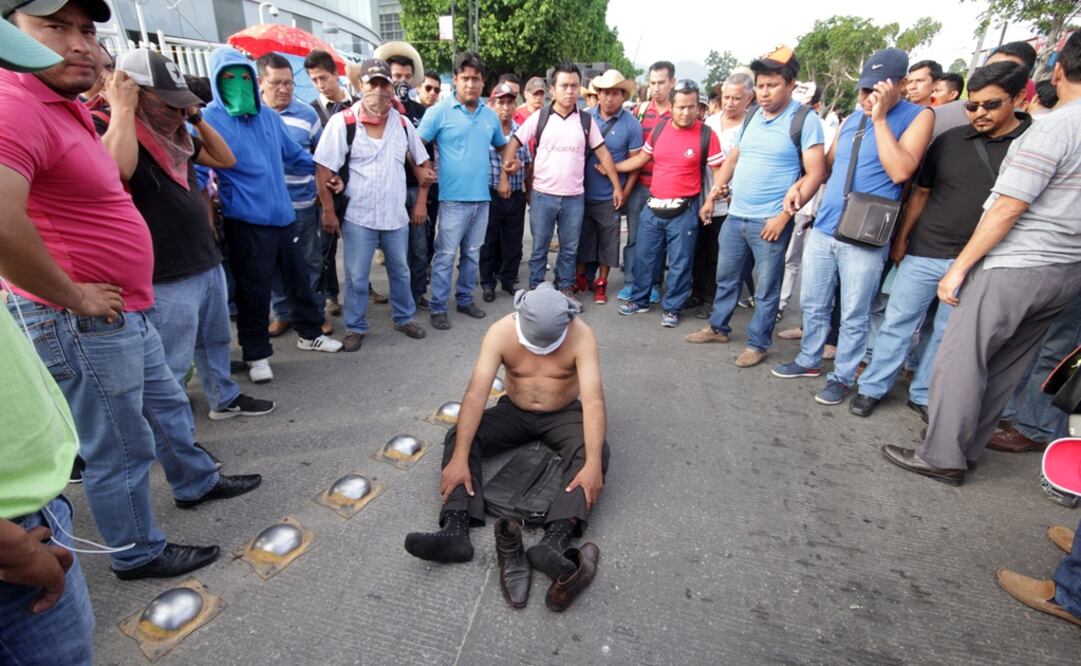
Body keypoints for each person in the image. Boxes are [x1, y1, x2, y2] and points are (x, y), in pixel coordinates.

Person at [1, 0, 260, 581]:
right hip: (81, 317)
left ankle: (195, 480)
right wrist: (74, 296)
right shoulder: (13, 103)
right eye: (54, 27)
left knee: (166, 405)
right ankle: (137, 552)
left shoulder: (62, 105)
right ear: (10, 33)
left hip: (121, 307)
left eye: (86, 30)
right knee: (119, 444)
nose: (78, 43)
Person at [880, 30, 1081, 485]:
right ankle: (966, 448)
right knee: (1006, 365)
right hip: (1067, 269)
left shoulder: (1055, 128)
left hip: (1017, 264)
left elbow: (1009, 205)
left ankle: (941, 454)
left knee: (960, 359)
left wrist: (959, 268)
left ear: (1058, 71)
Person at [94, 48, 275, 421]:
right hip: (164, 269)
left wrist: (195, 117)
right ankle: (171, 432)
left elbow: (226, 159)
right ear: (135, 92)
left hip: (202, 256)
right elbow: (117, 171)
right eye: (169, 103)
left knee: (215, 341)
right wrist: (124, 110)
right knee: (171, 360)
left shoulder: (175, 134)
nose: (177, 112)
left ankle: (223, 398)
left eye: (182, 104)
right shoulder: (106, 125)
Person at [403, 283, 609, 610]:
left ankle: (554, 540)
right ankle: (456, 526)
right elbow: (476, 394)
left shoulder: (581, 335)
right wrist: (459, 458)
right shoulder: (500, 332)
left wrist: (594, 463)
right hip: (514, 411)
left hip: (562, 413)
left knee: (594, 452)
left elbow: (594, 400)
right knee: (461, 436)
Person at [849, 62, 1032, 418]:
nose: (979, 113)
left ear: (1018, 99)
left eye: (991, 105)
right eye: (972, 105)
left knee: (947, 334)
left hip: (978, 259)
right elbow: (921, 193)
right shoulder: (950, 140)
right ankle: (873, 387)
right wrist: (902, 239)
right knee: (897, 323)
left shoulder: (1030, 145)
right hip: (924, 250)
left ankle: (923, 393)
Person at [0, 12, 93, 661]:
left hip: (26, 512)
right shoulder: (19, 114)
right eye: (58, 27)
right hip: (14, 535)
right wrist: (10, 545)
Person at [773, 48, 933, 405]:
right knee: (813, 302)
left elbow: (901, 171)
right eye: (863, 90)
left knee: (854, 313)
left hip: (865, 233)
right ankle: (809, 359)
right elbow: (827, 167)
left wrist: (880, 119)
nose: (866, 98)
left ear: (900, 85)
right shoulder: (851, 120)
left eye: (876, 90)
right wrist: (799, 188)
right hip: (826, 225)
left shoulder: (918, 116)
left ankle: (843, 377)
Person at [203, 46, 343, 384]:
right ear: (217, 81)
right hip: (246, 221)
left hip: (284, 215)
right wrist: (206, 216)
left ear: (252, 80)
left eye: (243, 77)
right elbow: (197, 172)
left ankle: (310, 334)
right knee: (254, 292)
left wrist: (327, 174)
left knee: (300, 279)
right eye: (229, 78)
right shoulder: (208, 119)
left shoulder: (268, 118)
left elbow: (296, 155)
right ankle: (256, 354)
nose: (238, 84)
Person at [686, 46, 827, 366]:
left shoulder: (804, 120)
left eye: (772, 85)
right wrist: (712, 196)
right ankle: (718, 328)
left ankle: (758, 343)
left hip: (770, 220)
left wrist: (783, 217)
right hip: (736, 215)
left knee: (765, 287)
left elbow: (817, 172)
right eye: (760, 85)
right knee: (726, 277)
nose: (764, 92)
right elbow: (734, 158)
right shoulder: (752, 116)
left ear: (790, 85)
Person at [314, 58, 430, 351]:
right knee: (356, 276)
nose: (378, 91)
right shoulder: (343, 122)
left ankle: (403, 317)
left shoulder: (402, 123)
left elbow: (422, 162)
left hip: (395, 216)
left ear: (391, 88)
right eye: (372, 84)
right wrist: (328, 211)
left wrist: (422, 200)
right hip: (358, 216)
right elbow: (324, 169)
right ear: (361, 86)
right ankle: (355, 326)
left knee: (400, 270)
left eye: (384, 84)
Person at [502, 62, 624, 304]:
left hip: (574, 198)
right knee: (539, 248)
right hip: (542, 196)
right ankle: (536, 292)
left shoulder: (586, 121)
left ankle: (565, 290)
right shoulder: (540, 117)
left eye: (574, 86)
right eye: (564, 86)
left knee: (569, 249)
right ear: (553, 89)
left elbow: (603, 154)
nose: (570, 91)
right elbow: (515, 141)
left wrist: (617, 187)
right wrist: (506, 171)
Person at [615, 79, 724, 328]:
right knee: (643, 257)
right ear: (671, 107)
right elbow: (641, 159)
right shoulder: (659, 130)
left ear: (698, 107)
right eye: (681, 107)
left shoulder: (707, 135)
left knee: (680, 262)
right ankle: (639, 300)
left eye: (691, 107)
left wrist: (716, 194)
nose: (686, 112)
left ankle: (673, 308)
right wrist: (613, 167)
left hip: (685, 210)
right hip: (653, 207)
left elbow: (718, 172)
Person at [417, 51, 509, 331]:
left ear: (483, 82)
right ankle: (438, 307)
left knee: (472, 254)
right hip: (452, 200)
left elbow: (503, 146)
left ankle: (465, 299)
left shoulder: (489, 116)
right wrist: (422, 170)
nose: (470, 84)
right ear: (455, 79)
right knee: (445, 256)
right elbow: (416, 145)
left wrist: (509, 167)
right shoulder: (439, 112)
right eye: (465, 78)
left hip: (482, 199)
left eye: (476, 79)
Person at [257, 53, 332, 340]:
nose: (284, 89)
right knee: (272, 264)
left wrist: (325, 189)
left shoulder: (307, 115)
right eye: (276, 83)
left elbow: (322, 159)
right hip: (264, 208)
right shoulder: (251, 116)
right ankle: (283, 313)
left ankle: (314, 313)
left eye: (289, 83)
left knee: (310, 262)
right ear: (261, 82)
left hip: (301, 205)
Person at [375, 42, 436, 312]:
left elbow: (426, 159)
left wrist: (423, 198)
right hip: (389, 191)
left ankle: (417, 293)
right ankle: (401, 299)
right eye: (396, 75)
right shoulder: (377, 111)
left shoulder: (422, 113)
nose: (402, 81)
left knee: (419, 249)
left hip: (415, 190)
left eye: (407, 76)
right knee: (395, 253)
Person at [575, 69, 642, 305]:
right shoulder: (584, 117)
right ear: (598, 94)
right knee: (583, 238)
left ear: (623, 95)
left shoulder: (631, 125)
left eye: (615, 93)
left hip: (610, 195)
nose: (609, 98)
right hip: (581, 191)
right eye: (605, 93)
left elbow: (636, 164)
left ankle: (601, 282)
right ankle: (580, 278)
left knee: (608, 241)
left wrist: (625, 192)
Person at [305, 49, 363, 316]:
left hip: (356, 189)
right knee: (325, 248)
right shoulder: (311, 112)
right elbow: (312, 155)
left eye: (324, 78)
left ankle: (364, 287)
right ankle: (330, 295)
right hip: (325, 192)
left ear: (336, 74)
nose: (320, 84)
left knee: (360, 246)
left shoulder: (359, 105)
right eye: (314, 80)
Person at [692, 72, 754, 317]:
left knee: (720, 254)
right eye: (726, 97)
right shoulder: (710, 122)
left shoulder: (751, 126)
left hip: (730, 202)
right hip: (701, 195)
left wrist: (730, 190)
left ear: (749, 98)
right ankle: (696, 292)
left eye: (736, 98)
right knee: (699, 249)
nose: (730, 103)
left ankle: (712, 299)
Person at [618, 61, 676, 303]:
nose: (656, 87)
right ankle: (631, 282)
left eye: (661, 82)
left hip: (665, 189)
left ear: (672, 82)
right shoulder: (640, 112)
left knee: (658, 241)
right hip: (640, 184)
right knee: (634, 237)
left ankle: (653, 283)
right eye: (652, 82)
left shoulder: (678, 113)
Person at [479, 81, 531, 301]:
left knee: (513, 241)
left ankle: (508, 280)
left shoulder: (521, 132)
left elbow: (528, 162)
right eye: (501, 102)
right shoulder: (484, 130)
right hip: (489, 193)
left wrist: (528, 189)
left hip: (516, 194)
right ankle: (487, 283)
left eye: (510, 102)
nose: (506, 108)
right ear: (492, 104)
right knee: (488, 240)